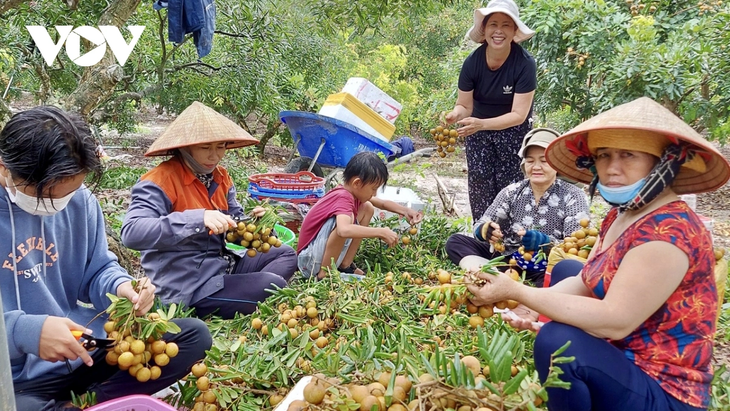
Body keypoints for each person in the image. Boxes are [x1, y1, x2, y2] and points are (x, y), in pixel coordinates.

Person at [467, 97, 730, 411]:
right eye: (603, 155)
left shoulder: (669, 231)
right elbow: (584, 280)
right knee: (567, 274)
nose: (611, 168)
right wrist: (528, 305)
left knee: (556, 342)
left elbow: (614, 321)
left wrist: (516, 289)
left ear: (663, 163)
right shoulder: (621, 215)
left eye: (628, 155)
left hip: (665, 388)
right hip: (625, 357)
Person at [0, 106, 211, 411]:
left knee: (193, 336)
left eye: (68, 194)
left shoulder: (80, 201)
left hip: (83, 351)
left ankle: (91, 402)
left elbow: (97, 270)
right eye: (47, 195)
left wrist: (121, 288)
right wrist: (24, 332)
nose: (58, 205)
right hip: (13, 375)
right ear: (6, 166)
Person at [121, 102, 298, 319]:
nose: (215, 156)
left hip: (221, 265)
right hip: (185, 282)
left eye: (221, 146)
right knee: (272, 285)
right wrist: (199, 218)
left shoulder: (220, 177)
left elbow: (234, 227)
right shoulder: (160, 180)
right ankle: (226, 299)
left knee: (286, 255)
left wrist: (256, 225)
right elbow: (132, 232)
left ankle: (239, 295)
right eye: (205, 148)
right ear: (185, 147)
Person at [446, 128, 589, 286]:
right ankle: (491, 274)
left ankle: (501, 280)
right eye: (530, 161)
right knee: (455, 242)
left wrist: (546, 243)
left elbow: (576, 246)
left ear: (557, 163)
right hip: (509, 259)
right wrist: (484, 231)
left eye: (544, 161)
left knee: (567, 273)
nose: (536, 167)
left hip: (546, 266)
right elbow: (481, 224)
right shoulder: (513, 191)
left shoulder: (573, 195)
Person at [444, 0, 537, 219]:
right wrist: (454, 115)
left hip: (513, 132)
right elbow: (465, 106)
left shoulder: (524, 64)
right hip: (478, 133)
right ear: (484, 29)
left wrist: (481, 123)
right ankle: (482, 241)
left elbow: (519, 115)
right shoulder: (472, 63)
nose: (498, 31)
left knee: (511, 188)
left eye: (506, 25)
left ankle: (511, 245)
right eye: (493, 24)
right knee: (480, 187)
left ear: (514, 31)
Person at [297, 152, 423, 279]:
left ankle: (345, 265)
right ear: (357, 183)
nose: (374, 194)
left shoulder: (352, 193)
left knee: (367, 207)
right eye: (373, 189)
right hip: (308, 263)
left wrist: (406, 211)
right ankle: (325, 275)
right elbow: (343, 230)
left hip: (314, 256)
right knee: (347, 220)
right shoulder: (343, 197)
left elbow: (383, 204)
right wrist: (380, 232)